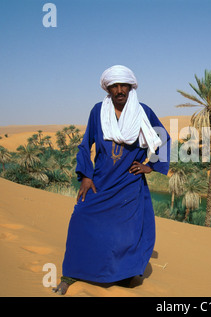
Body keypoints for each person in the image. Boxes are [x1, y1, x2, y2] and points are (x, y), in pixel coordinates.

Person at [53, 65, 170, 295]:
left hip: (128, 183)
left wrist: (150, 166)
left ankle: (123, 275)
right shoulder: (98, 111)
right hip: (100, 181)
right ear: (108, 89)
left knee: (126, 232)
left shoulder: (143, 111)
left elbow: (163, 138)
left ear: (130, 87)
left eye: (123, 85)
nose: (119, 90)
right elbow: (86, 144)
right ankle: (72, 272)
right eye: (114, 86)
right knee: (81, 218)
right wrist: (86, 175)